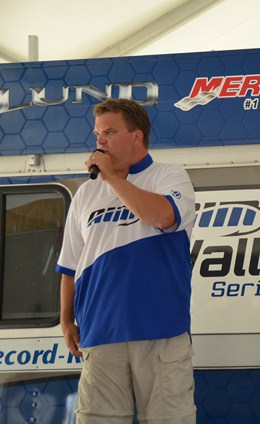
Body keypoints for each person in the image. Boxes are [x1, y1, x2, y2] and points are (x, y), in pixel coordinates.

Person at [56, 98, 197, 423]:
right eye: (97, 134)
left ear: (136, 137)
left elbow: (164, 216)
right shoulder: (86, 193)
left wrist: (113, 180)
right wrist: (66, 319)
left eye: (110, 132)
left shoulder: (169, 176)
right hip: (100, 332)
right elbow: (70, 264)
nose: (100, 142)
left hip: (161, 331)